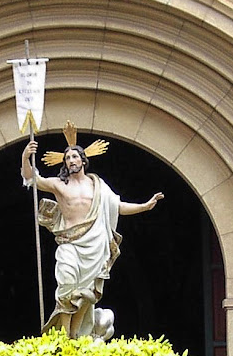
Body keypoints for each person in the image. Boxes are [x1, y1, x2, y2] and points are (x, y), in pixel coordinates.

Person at [21, 133, 164, 338]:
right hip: (69, 242)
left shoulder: (97, 185)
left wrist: (145, 206)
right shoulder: (59, 185)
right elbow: (32, 179)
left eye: (75, 157)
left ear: (83, 160)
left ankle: (76, 335)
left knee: (87, 293)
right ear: (64, 163)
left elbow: (118, 207)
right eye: (68, 158)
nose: (71, 161)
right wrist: (26, 158)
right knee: (67, 283)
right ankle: (64, 334)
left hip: (95, 244)